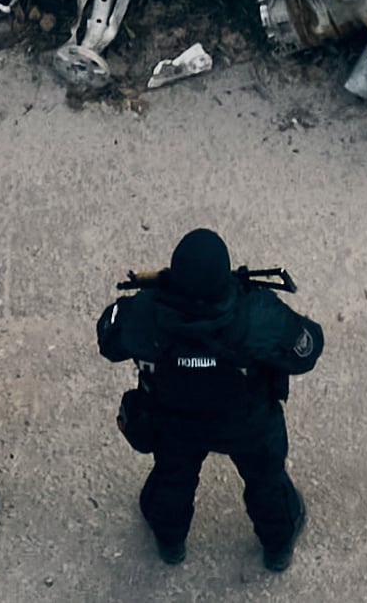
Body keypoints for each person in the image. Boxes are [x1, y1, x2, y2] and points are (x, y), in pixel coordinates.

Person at [98, 227, 322, 570]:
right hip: (247, 423)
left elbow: (108, 341)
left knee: (172, 480)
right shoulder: (257, 315)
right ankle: (278, 548)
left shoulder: (143, 314)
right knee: (266, 480)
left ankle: (170, 543)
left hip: (174, 423)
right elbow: (307, 350)